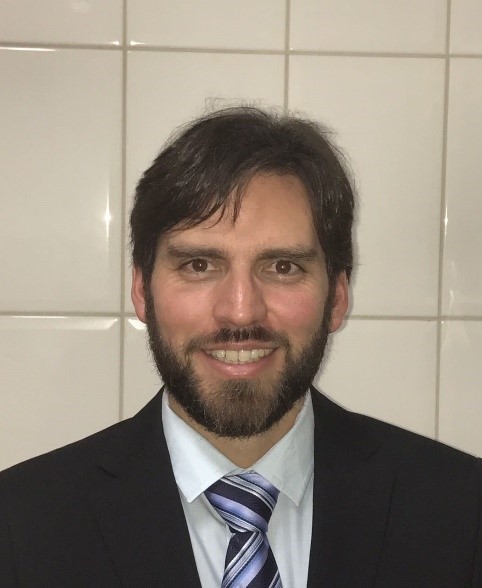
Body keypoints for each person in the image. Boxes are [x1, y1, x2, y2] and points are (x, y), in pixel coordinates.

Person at [0, 107, 480, 588]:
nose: (241, 312)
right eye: (199, 265)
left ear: (337, 297)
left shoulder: (462, 513)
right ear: (142, 291)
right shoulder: (21, 528)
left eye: (283, 267)